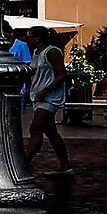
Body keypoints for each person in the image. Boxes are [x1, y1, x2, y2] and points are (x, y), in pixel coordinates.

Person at [23, 31, 73, 174]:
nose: (27, 40)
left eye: (29, 37)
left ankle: (23, 164)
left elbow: (62, 74)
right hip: (38, 97)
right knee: (51, 132)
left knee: (35, 128)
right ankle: (65, 166)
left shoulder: (51, 52)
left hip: (50, 97)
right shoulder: (35, 53)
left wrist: (46, 90)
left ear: (38, 38)